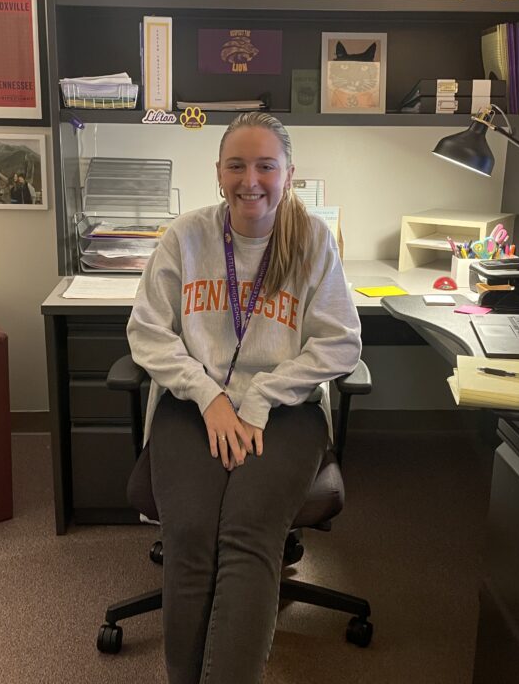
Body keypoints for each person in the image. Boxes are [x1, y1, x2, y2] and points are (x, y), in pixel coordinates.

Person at [127, 111, 362, 683]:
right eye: (236, 164)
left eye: (265, 165)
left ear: (288, 173)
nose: (249, 179)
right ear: (218, 172)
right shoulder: (187, 237)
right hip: (193, 406)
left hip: (286, 412)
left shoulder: (311, 242)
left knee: (248, 535)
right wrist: (208, 396)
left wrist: (261, 397)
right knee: (189, 535)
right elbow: (147, 333)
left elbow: (341, 344)